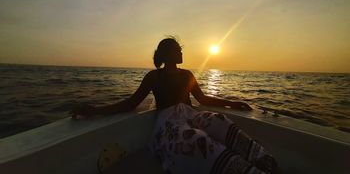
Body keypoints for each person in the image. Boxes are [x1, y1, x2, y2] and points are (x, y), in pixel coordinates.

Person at [71, 37, 278, 174]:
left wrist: (232, 103)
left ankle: (262, 159)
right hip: (168, 121)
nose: (181, 52)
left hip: (190, 114)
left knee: (219, 120)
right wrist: (95, 111)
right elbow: (131, 103)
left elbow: (203, 100)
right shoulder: (154, 76)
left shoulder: (187, 74)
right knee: (195, 139)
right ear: (168, 54)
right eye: (178, 49)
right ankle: (242, 170)